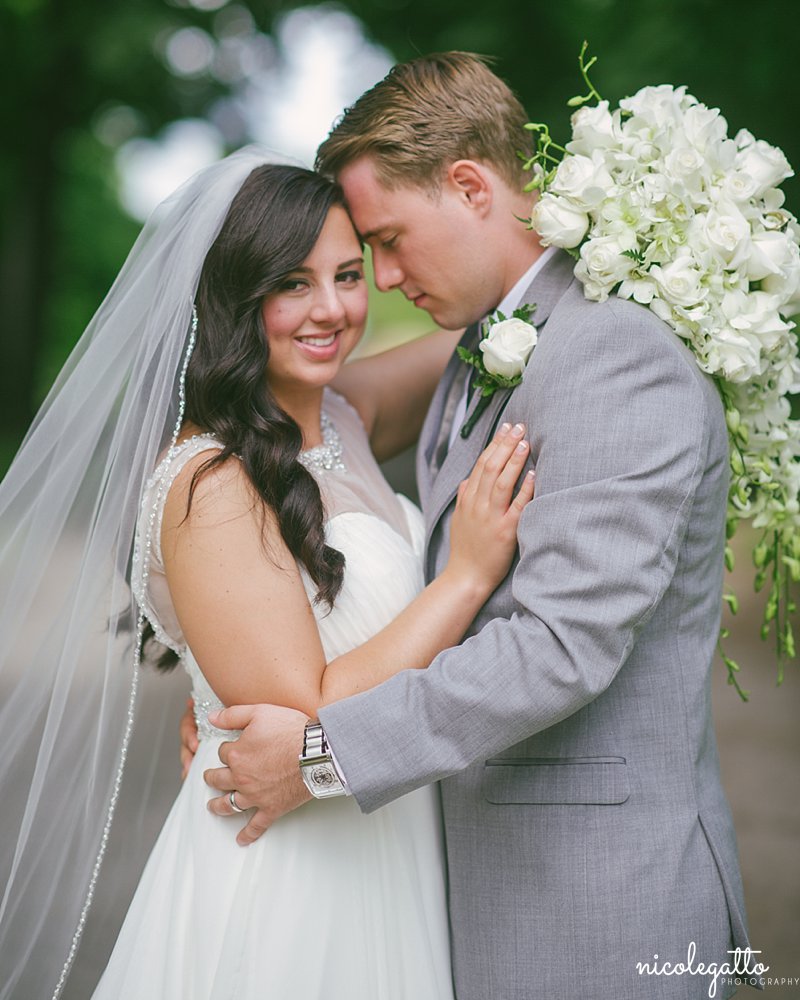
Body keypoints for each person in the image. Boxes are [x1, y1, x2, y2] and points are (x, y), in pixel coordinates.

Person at [200, 54, 753, 1000]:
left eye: (388, 240)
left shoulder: (617, 356)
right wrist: (235, 662)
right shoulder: (484, 343)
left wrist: (319, 756)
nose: (381, 277)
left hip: (599, 911)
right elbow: (301, 423)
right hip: (484, 889)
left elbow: (557, 648)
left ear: (468, 186)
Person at [0, 147, 535, 1000]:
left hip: (386, 840)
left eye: (349, 274)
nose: (331, 309)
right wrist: (464, 579)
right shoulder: (210, 482)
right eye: (293, 283)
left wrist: (609, 252)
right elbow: (308, 712)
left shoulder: (347, 414)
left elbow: (503, 328)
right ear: (234, 299)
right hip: (291, 870)